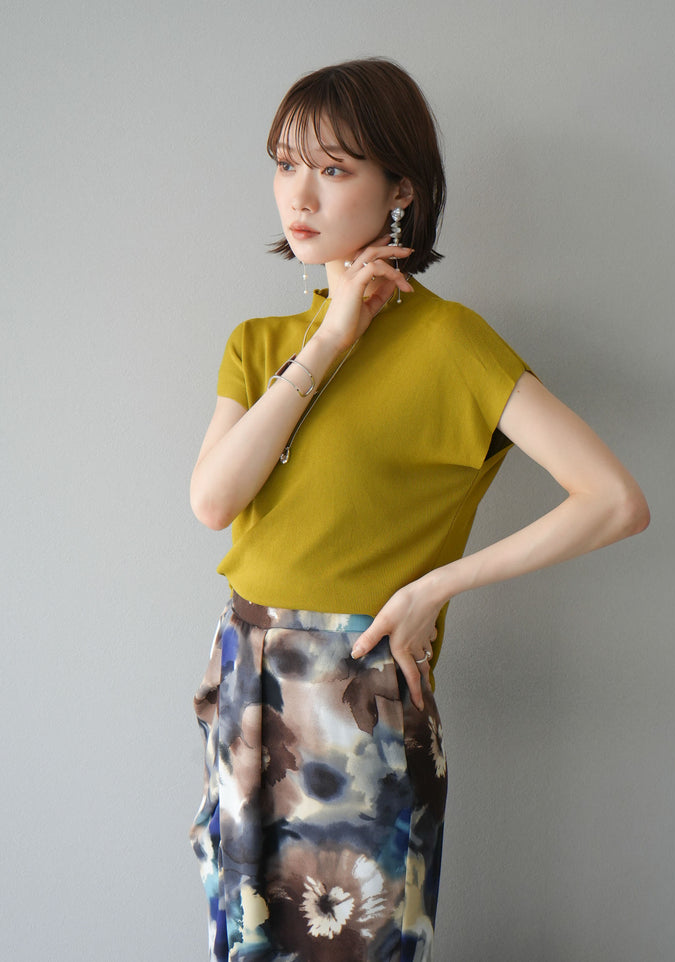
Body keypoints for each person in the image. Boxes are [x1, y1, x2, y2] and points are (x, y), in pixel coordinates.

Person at [188, 58, 649, 962]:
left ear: (401, 189)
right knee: (241, 941)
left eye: (334, 168)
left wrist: (436, 587)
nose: (300, 194)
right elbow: (214, 500)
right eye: (286, 165)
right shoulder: (261, 345)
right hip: (246, 683)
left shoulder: (450, 342)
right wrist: (333, 335)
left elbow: (615, 501)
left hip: (357, 695)